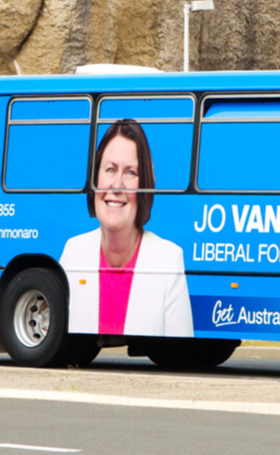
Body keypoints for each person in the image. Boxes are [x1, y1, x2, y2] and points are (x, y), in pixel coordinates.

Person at [60, 120, 193, 336]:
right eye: (110, 169)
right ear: (95, 179)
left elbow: (180, 351)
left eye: (130, 172)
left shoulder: (169, 260)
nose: (117, 185)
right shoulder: (73, 253)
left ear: (145, 184)